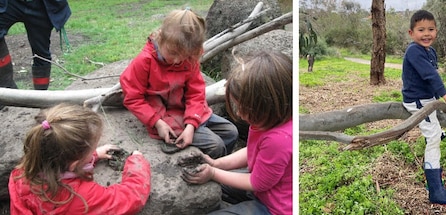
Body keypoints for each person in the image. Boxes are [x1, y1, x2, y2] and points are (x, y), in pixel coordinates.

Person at [183, 51, 293, 215]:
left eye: (244, 108)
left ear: (267, 105)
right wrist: (216, 164)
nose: (240, 114)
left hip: (274, 208)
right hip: (262, 189)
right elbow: (251, 151)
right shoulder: (267, 120)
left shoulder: (279, 140)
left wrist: (213, 173)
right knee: (216, 183)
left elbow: (257, 183)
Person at [120, 9, 237, 159]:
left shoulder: (189, 58)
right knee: (216, 145)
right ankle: (212, 173)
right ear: (161, 37)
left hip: (190, 112)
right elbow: (132, 97)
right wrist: (157, 122)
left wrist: (191, 124)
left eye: (184, 56)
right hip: (164, 116)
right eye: (173, 53)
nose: (177, 61)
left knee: (231, 132)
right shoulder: (144, 62)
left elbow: (196, 92)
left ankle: (222, 167)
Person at [9, 103, 151, 214]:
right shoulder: (82, 198)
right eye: (89, 151)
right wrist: (137, 164)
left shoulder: (19, 174)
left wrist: (93, 155)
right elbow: (129, 198)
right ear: (74, 165)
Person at [401, 10, 446, 206]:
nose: (426, 34)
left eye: (431, 29)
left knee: (435, 132)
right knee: (434, 139)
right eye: (421, 30)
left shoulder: (430, 51)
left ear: (436, 31)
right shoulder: (413, 51)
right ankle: (436, 191)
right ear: (411, 33)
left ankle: (434, 133)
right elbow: (430, 76)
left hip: (427, 100)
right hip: (419, 102)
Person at [0, 0, 71, 110]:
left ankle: (40, 99)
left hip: (41, 5)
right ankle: (8, 88)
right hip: (9, 3)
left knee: (41, 53)